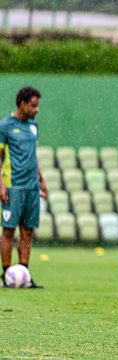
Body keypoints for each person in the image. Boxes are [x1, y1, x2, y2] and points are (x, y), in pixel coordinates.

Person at [0, 86, 48, 289]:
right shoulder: (5, 126)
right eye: (33, 106)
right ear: (22, 103)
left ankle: (24, 274)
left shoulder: (33, 126)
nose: (36, 110)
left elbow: (33, 156)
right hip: (13, 185)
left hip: (31, 186)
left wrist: (42, 180)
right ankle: (6, 276)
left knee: (27, 231)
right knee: (9, 231)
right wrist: (1, 185)